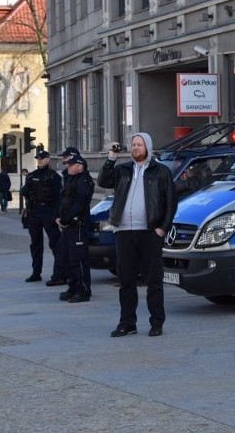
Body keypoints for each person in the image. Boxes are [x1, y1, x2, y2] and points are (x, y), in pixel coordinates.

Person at [99, 133, 177, 338]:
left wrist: (162, 228)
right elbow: (103, 180)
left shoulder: (161, 171)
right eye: (133, 145)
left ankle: (156, 322)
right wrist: (111, 157)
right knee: (126, 280)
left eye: (139, 145)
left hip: (150, 231)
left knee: (153, 280)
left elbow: (171, 203)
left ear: (147, 147)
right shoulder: (122, 170)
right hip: (124, 231)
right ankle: (127, 323)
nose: (135, 148)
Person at [55, 154, 95, 303]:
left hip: (78, 225)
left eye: (71, 165)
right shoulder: (72, 179)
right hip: (68, 225)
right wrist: (59, 217)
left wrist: (65, 219)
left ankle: (83, 290)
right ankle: (73, 287)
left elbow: (78, 205)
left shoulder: (84, 182)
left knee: (78, 259)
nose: (68, 167)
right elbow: (64, 200)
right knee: (66, 257)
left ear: (80, 167)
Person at [21, 150, 64, 285]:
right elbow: (25, 192)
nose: (39, 160)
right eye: (38, 158)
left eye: (42, 158)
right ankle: (36, 272)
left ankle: (60, 273)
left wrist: (56, 214)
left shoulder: (53, 176)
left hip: (48, 211)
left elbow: (59, 197)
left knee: (55, 243)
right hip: (34, 212)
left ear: (48, 159)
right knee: (35, 244)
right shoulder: (31, 176)